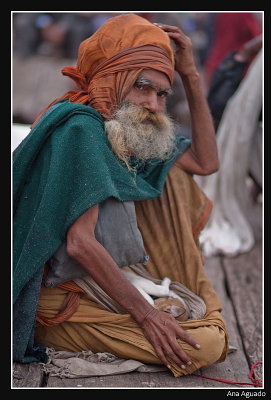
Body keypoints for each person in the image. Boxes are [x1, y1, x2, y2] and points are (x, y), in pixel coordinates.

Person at [13, 14, 228, 377]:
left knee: (174, 175)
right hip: (56, 296)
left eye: (162, 93)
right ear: (111, 82)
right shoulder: (82, 128)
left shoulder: (123, 132)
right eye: (142, 88)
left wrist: (190, 76)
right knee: (205, 345)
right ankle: (63, 331)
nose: (154, 105)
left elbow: (205, 162)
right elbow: (79, 244)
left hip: (99, 282)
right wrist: (146, 317)